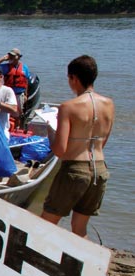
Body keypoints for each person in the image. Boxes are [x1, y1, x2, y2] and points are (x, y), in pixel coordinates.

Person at [41, 55, 114, 238]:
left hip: (75, 169)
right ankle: (83, 265)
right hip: (99, 168)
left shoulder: (68, 107)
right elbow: (103, 142)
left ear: (73, 78)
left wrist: (51, 132)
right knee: (79, 228)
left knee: (46, 224)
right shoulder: (109, 104)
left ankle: (43, 264)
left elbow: (60, 150)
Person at [0, 48, 31, 129]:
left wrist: (26, 95)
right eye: (10, 55)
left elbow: (26, 82)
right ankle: (7, 128)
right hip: (8, 94)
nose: (11, 57)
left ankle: (18, 128)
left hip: (20, 94)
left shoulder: (25, 68)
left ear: (19, 57)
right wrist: (3, 59)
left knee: (18, 114)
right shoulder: (5, 67)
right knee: (6, 112)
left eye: (13, 56)